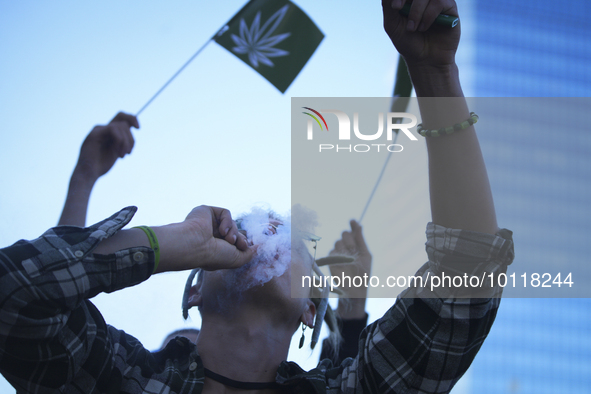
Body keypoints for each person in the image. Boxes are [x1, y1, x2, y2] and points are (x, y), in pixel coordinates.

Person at [0, 1, 515, 393]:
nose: (270, 228)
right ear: (194, 290)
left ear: (311, 310)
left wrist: (434, 72)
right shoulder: (122, 375)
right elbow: (14, 296)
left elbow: (465, 284)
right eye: (245, 225)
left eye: (290, 238)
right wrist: (174, 242)